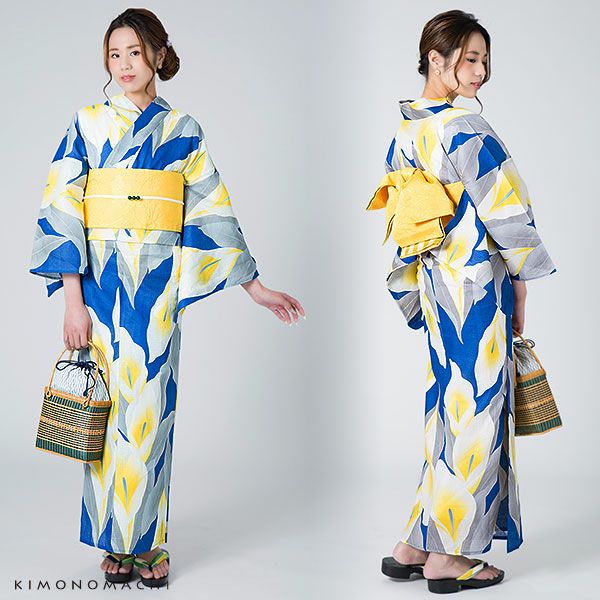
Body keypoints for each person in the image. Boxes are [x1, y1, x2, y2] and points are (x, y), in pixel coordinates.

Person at [29, 7, 304, 588]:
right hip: (100, 287)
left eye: (135, 52)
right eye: (114, 54)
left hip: (156, 289)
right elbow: (62, 207)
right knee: (104, 413)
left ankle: (149, 541)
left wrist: (254, 286)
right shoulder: (87, 123)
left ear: (157, 54)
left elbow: (211, 209)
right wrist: (72, 301)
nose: (124, 64)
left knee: (151, 412)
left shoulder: (183, 130)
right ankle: (114, 541)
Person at [367, 9, 556, 594]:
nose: (480, 72)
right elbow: (506, 208)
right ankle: (452, 557)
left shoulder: (405, 133)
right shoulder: (467, 129)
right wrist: (520, 277)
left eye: (484, 61)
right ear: (436, 58)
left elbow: (402, 222)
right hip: (474, 285)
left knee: (446, 412)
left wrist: (414, 289)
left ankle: (416, 543)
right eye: (470, 59)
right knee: (476, 413)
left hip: (435, 284)